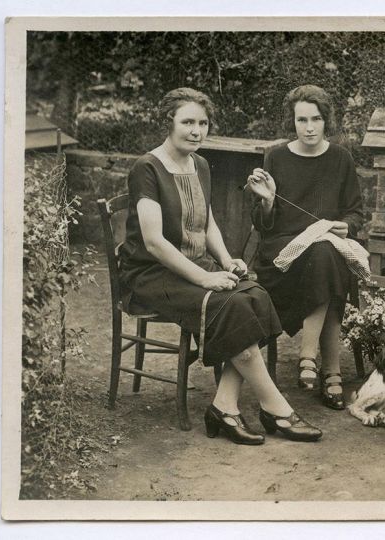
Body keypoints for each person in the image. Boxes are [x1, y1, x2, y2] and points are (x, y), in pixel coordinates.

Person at [119, 87, 321, 445]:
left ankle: (224, 406)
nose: (196, 131)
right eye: (188, 122)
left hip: (194, 266)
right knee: (230, 304)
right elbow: (153, 242)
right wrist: (205, 277)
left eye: (203, 123)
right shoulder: (146, 168)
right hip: (150, 274)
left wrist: (227, 261)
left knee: (255, 295)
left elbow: (206, 219)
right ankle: (277, 409)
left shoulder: (199, 163)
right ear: (169, 123)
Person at [247, 85, 364, 411]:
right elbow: (262, 224)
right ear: (293, 122)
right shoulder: (276, 156)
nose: (309, 127)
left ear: (327, 121)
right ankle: (331, 373)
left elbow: (355, 212)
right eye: (302, 120)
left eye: (315, 119)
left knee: (326, 254)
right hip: (282, 256)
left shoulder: (341, 159)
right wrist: (268, 201)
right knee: (327, 261)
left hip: (323, 251)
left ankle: (309, 359)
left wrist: (347, 225)